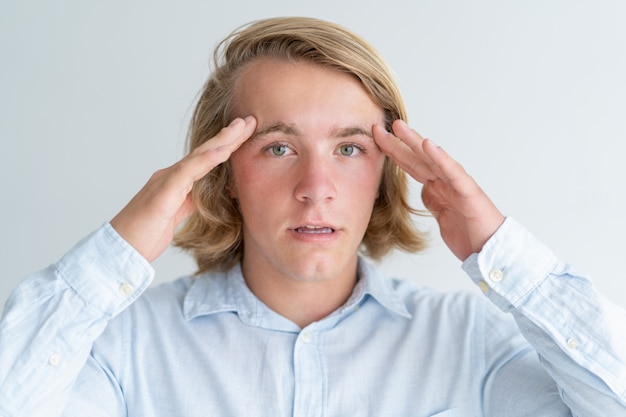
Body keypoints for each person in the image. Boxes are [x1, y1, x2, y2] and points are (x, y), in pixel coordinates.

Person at [0, 16, 624, 417]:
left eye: (349, 148)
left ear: (387, 167)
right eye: (278, 147)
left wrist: (499, 249)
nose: (316, 187)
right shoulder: (123, 348)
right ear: (221, 171)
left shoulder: (471, 342)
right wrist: (119, 250)